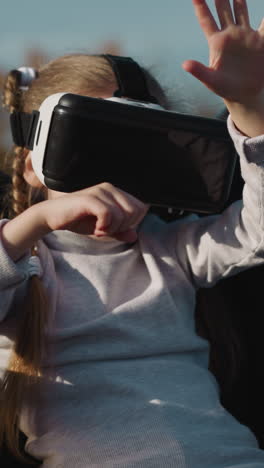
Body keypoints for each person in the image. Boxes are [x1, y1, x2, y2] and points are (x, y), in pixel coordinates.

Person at [1, 0, 264, 466]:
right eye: (88, 152)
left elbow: (256, 232)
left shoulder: (171, 247)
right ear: (33, 167)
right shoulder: (26, 266)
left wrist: (251, 114)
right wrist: (35, 224)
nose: (113, 181)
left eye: (142, 158)